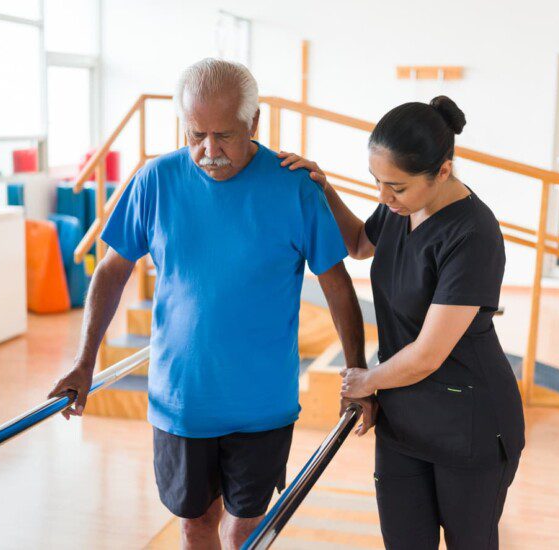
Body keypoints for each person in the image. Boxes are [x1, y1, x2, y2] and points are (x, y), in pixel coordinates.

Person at [47, 58, 373, 550]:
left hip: (262, 405)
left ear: (255, 123)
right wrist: (83, 361)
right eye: (196, 134)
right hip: (182, 403)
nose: (209, 151)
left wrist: (357, 373)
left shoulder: (294, 187)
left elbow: (338, 285)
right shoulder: (155, 180)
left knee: (246, 529)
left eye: (225, 135)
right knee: (195, 525)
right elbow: (113, 270)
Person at [279, 96, 525, 550]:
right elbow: (356, 243)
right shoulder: (400, 209)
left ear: (444, 172)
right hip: (404, 419)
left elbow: (430, 353)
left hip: (468, 422)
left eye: (396, 186)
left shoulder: (474, 234)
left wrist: (366, 381)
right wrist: (322, 186)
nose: (383, 197)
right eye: (376, 182)